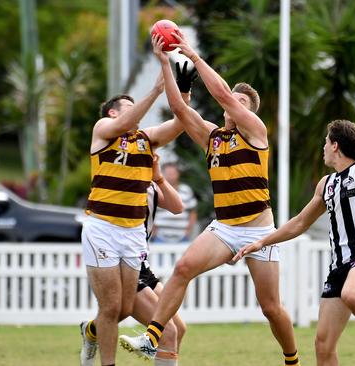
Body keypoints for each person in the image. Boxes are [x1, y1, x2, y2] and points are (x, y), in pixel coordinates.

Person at [120, 32, 302, 366]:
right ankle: (152, 338)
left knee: (271, 308)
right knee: (182, 268)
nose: (233, 103)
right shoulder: (212, 138)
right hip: (226, 228)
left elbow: (221, 94)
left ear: (248, 111)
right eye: (235, 100)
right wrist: (164, 62)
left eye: (241, 102)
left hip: (259, 231)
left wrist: (194, 56)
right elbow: (179, 109)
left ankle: (293, 361)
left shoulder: (255, 131)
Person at [233, 83, 355, 366]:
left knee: (353, 294)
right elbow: (300, 222)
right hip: (338, 267)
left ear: (335, 145)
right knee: (323, 347)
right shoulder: (326, 185)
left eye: (325, 142)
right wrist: (262, 241)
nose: (323, 147)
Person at [78, 62, 195, 366]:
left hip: (132, 233)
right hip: (102, 226)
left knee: (126, 308)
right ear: (113, 113)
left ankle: (90, 331)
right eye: (127, 108)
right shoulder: (104, 130)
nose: (135, 113)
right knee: (110, 306)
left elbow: (180, 123)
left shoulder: (146, 139)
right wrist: (155, 89)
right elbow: (124, 123)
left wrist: (182, 92)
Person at [80, 154, 187, 366]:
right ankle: (92, 331)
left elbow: (178, 207)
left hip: (142, 265)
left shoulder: (150, 187)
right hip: (124, 264)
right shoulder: (119, 186)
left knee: (178, 329)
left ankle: (91, 330)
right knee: (167, 331)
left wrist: (159, 178)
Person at [152, 161, 198, 243]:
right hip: (160, 237)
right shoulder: (157, 190)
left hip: (182, 236)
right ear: (162, 174)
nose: (170, 176)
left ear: (178, 174)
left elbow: (193, 211)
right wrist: (154, 231)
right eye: (168, 173)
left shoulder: (186, 190)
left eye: (173, 173)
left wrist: (188, 230)